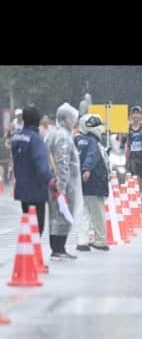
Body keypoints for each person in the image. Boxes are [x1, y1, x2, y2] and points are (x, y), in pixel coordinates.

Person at [11, 106, 57, 236]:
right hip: (36, 188)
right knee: (38, 226)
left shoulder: (16, 138)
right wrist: (51, 181)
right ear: (36, 120)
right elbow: (42, 166)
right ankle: (33, 253)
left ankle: (27, 250)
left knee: (27, 221)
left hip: (21, 186)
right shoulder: (36, 140)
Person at [47, 103, 83, 260]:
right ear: (66, 119)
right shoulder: (62, 136)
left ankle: (57, 248)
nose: (74, 122)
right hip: (63, 184)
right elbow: (62, 160)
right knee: (63, 215)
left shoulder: (55, 134)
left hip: (57, 182)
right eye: (72, 118)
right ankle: (58, 249)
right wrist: (62, 183)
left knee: (57, 215)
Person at [74, 114, 110, 252]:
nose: (100, 129)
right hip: (95, 182)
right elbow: (92, 156)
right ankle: (100, 240)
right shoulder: (93, 142)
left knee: (85, 213)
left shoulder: (76, 140)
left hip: (81, 183)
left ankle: (83, 241)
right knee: (98, 213)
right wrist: (87, 169)